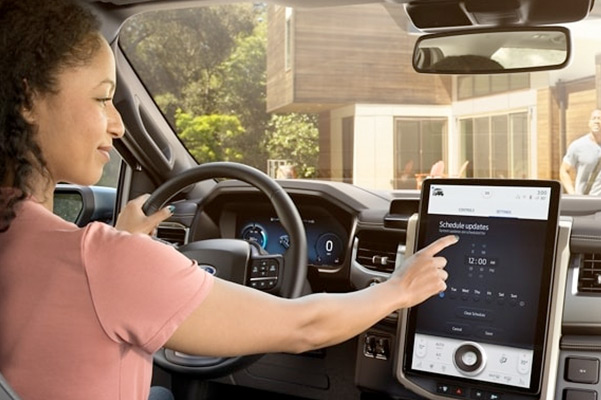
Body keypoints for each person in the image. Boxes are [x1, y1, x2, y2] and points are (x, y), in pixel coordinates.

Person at [0, 0, 458, 399]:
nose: (118, 126)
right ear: (26, 98)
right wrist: (399, 288)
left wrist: (119, 242)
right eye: (103, 99)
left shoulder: (55, 247)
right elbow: (305, 327)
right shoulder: (107, 262)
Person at [560, 109, 601, 195]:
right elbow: (564, 170)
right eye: (594, 118)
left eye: (600, 118)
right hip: (586, 201)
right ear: (589, 123)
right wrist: (572, 194)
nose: (597, 121)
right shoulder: (578, 145)